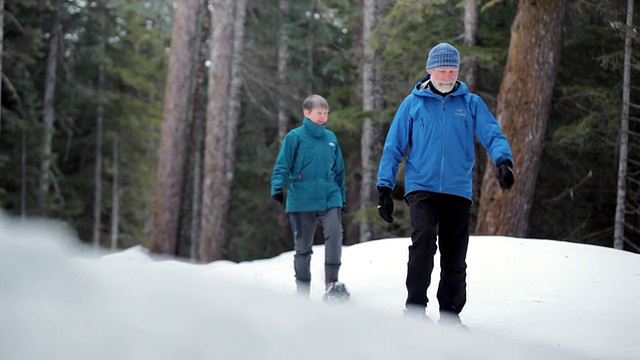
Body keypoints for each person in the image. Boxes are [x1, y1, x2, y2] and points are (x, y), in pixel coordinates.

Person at [376, 43, 515, 324]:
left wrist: (503, 161)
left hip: (457, 190)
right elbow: (394, 147)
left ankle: (450, 315)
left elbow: (492, 133)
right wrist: (384, 187)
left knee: (455, 256)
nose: (447, 76)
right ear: (430, 71)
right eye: (441, 70)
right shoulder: (413, 103)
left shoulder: (470, 103)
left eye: (452, 70)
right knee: (423, 241)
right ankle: (415, 308)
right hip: (421, 188)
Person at [271, 94, 350, 302]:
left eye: (326, 113)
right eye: (319, 112)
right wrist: (277, 187)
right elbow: (282, 165)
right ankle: (302, 290)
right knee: (303, 247)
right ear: (307, 113)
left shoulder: (331, 138)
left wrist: (342, 197)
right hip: (302, 198)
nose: (323, 116)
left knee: (334, 234)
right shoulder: (294, 137)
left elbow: (339, 171)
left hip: (329, 195)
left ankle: (332, 283)